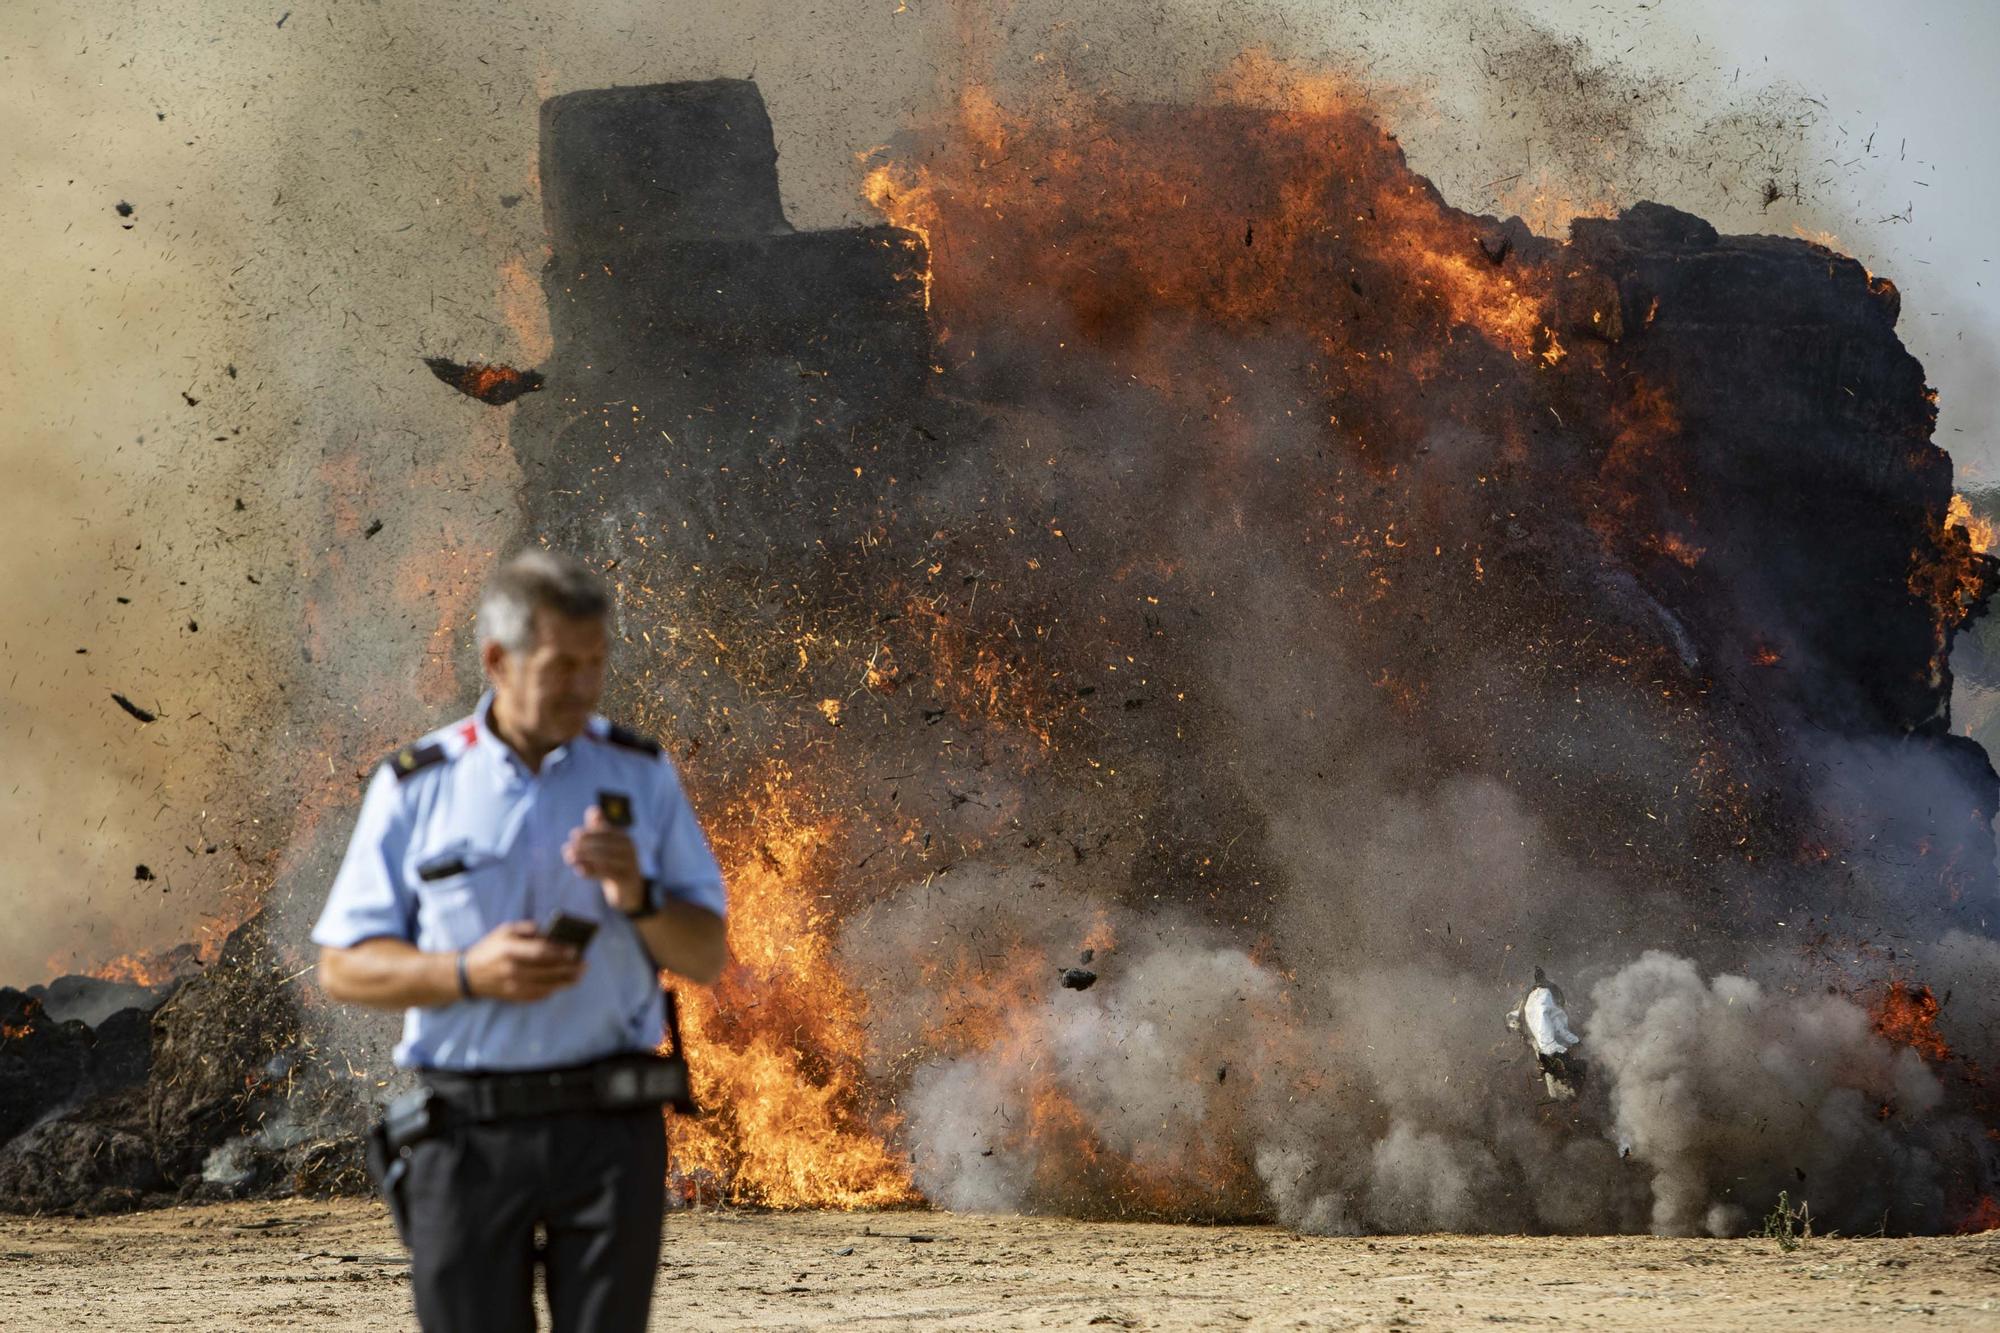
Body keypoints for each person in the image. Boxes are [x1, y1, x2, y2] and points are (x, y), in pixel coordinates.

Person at [312, 549, 728, 1333]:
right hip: (467, 1137)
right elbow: (343, 964)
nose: (583, 685)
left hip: (610, 1136)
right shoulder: (418, 784)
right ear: (497, 660)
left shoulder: (640, 774)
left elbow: (705, 954)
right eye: (561, 664)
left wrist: (637, 896)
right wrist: (467, 971)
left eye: (595, 663)